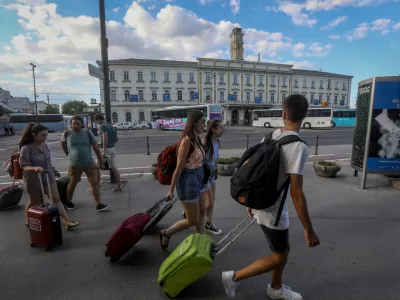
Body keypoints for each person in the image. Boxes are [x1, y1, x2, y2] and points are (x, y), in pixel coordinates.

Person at [221, 94, 320, 300]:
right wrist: (309, 230)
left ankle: (275, 288)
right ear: (305, 116)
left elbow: (256, 172)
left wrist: (251, 202)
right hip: (273, 211)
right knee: (280, 257)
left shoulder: (271, 135)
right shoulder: (298, 146)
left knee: (281, 251)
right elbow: (296, 193)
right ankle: (234, 277)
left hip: (260, 202)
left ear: (283, 114)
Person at [159, 110, 206, 251]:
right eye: (203, 121)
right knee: (192, 220)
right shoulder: (186, 141)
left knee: (202, 212)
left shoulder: (197, 138)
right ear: (194, 123)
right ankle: (166, 233)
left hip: (199, 177)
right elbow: (179, 168)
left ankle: (200, 243)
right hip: (188, 181)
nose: (205, 124)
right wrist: (171, 190)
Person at [19, 123, 79, 229]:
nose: (45, 137)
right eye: (42, 135)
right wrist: (35, 168)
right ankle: (29, 219)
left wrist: (53, 170)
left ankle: (66, 221)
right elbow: (24, 166)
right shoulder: (26, 148)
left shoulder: (45, 145)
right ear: (34, 135)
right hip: (33, 178)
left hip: (48, 175)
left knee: (56, 199)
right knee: (34, 201)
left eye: (46, 135)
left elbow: (48, 161)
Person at [61, 115, 109, 212]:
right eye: (73, 124)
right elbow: (63, 144)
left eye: (77, 124)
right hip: (74, 164)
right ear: (71, 124)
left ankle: (98, 204)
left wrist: (101, 162)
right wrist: (68, 154)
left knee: (94, 182)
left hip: (89, 163)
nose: (75, 126)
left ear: (81, 124)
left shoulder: (87, 133)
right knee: (73, 183)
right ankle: (68, 201)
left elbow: (96, 148)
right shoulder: (67, 133)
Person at [202, 119, 224, 235]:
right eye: (220, 128)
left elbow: (214, 160)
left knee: (212, 200)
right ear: (213, 129)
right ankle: (192, 214)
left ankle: (208, 223)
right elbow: (200, 160)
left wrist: (215, 172)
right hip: (204, 174)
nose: (222, 130)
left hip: (212, 174)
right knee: (208, 202)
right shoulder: (205, 142)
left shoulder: (217, 142)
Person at [93, 113, 121, 191]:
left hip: (105, 149)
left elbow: (105, 137)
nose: (96, 122)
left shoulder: (102, 126)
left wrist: (104, 151)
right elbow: (117, 139)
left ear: (98, 120)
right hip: (112, 148)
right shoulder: (111, 126)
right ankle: (119, 186)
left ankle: (97, 187)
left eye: (96, 121)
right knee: (114, 168)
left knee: (97, 167)